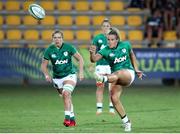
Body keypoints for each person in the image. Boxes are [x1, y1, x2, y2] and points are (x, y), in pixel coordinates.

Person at [89, 28, 144, 132]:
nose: (109, 42)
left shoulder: (126, 45)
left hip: (128, 74)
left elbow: (132, 55)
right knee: (114, 98)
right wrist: (91, 53)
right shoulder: (105, 50)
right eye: (108, 40)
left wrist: (136, 69)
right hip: (115, 77)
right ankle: (127, 122)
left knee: (119, 72)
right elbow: (94, 59)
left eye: (112, 39)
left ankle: (103, 78)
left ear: (117, 40)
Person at [41, 30, 84, 127]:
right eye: (55, 37)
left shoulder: (69, 47)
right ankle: (72, 119)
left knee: (66, 93)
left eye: (59, 37)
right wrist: (46, 75)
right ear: (52, 39)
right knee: (66, 97)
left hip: (70, 75)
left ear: (62, 39)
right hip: (57, 78)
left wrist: (81, 72)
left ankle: (67, 118)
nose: (57, 39)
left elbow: (80, 58)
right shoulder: (49, 50)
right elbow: (43, 65)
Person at [92, 18, 115, 115]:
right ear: (101, 27)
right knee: (100, 86)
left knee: (112, 87)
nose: (105, 28)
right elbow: (93, 52)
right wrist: (92, 64)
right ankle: (99, 108)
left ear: (110, 27)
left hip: (111, 66)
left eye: (107, 26)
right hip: (100, 66)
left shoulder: (113, 39)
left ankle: (111, 108)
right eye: (104, 26)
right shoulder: (97, 38)